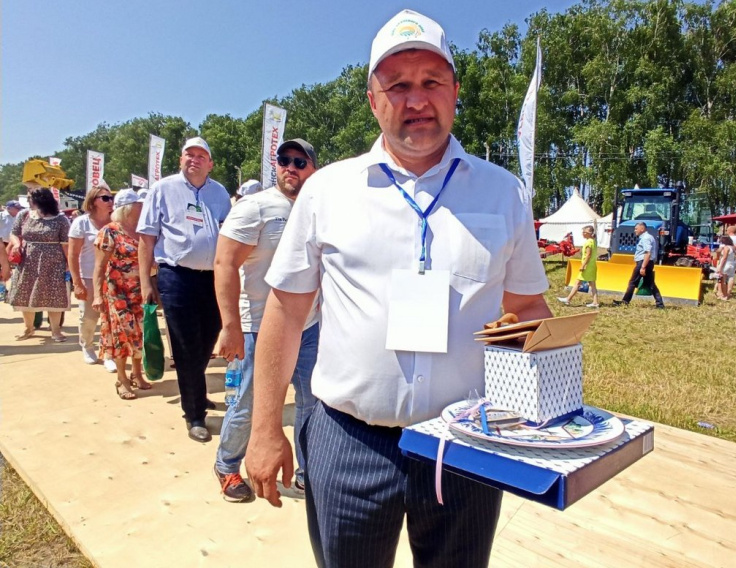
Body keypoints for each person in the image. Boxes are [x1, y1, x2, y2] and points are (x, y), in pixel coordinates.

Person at [245, 10, 552, 568]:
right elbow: (286, 314)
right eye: (398, 85)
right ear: (373, 100)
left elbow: (528, 305)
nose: (417, 100)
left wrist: (549, 403)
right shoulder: (326, 191)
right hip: (347, 439)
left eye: (432, 82)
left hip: (466, 444)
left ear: (455, 91)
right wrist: (264, 428)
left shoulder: (503, 193)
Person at [213, 139, 320, 502]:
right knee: (248, 402)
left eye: (300, 162)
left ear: (313, 169)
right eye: (284, 160)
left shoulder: (318, 207)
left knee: (311, 400)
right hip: (257, 326)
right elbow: (224, 264)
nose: (290, 167)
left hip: (308, 326)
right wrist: (230, 326)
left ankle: (306, 472)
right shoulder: (255, 207)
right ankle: (227, 465)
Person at [138, 137, 231, 442]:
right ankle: (195, 415)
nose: (194, 159)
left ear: (210, 163)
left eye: (201, 155)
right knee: (186, 346)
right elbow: (147, 239)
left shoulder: (220, 193)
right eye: (189, 154)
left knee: (207, 341)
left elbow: (229, 234)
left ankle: (196, 392)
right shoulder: (162, 189)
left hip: (213, 278)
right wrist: (146, 281)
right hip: (176, 277)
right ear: (180, 160)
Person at [93, 189, 150, 399]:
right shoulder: (110, 231)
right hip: (117, 291)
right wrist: (97, 295)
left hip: (140, 290)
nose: (142, 207)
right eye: (138, 204)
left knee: (140, 331)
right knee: (122, 333)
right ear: (128, 208)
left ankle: (137, 373)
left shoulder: (143, 230)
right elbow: (99, 267)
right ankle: (122, 378)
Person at [8, 188, 71, 341]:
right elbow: (14, 233)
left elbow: (66, 244)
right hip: (27, 261)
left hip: (54, 263)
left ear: (40, 199)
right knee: (26, 293)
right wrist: (17, 244)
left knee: (54, 295)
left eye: (30, 198)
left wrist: (69, 263)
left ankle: (56, 330)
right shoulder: (24, 215)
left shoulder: (60, 219)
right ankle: (28, 328)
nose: (28, 201)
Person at [68, 183, 115, 365]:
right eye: (105, 198)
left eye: (111, 198)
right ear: (93, 201)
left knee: (111, 317)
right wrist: (77, 282)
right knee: (89, 317)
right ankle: (87, 345)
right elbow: (73, 255)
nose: (110, 201)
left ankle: (109, 353)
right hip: (88, 276)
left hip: (114, 277)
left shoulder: (116, 221)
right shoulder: (81, 223)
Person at [614, 222, 665, 308]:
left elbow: (647, 253)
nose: (635, 231)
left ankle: (625, 301)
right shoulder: (648, 237)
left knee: (632, 282)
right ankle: (660, 303)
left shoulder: (645, 238)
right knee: (651, 284)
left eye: (636, 229)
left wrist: (643, 267)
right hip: (647, 262)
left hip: (643, 262)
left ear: (642, 229)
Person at [557, 225, 599, 308]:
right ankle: (595, 302)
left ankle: (568, 299)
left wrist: (583, 265)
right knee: (592, 284)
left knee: (577, 282)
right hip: (592, 266)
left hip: (587, 266)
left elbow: (588, 255)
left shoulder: (588, 243)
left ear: (589, 233)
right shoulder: (593, 241)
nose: (582, 234)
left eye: (584, 232)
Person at [715, 235, 736, 301]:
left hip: (725, 264)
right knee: (730, 278)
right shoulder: (733, 247)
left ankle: (724, 295)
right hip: (732, 264)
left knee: (723, 280)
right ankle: (728, 293)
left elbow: (724, 258)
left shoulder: (726, 248)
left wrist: (720, 267)